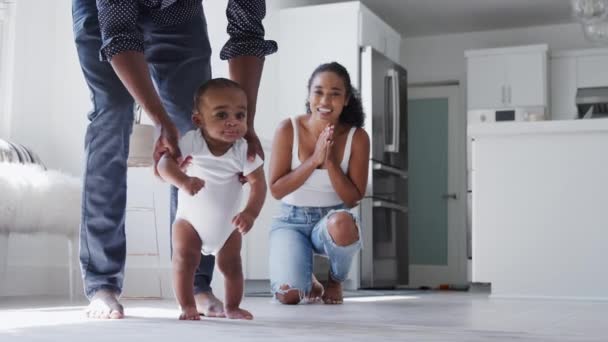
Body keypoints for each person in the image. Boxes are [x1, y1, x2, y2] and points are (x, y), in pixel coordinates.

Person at [72, 0, 277, 319]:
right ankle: (103, 284)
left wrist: (244, 124)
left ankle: (197, 285)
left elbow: (247, 31)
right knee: (112, 114)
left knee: (194, 121)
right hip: (106, 14)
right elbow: (120, 34)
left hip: (179, 12)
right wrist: (158, 120)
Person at [157, 78, 266, 320]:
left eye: (240, 115)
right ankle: (187, 306)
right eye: (221, 115)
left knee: (232, 267)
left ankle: (232, 306)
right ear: (199, 120)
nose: (233, 122)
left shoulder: (242, 150)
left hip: (227, 227)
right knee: (184, 259)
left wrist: (250, 212)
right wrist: (183, 182)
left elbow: (259, 184)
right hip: (189, 221)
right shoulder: (192, 141)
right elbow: (164, 165)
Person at [268, 62, 370, 305]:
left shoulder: (357, 137)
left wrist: (331, 162)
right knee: (289, 295)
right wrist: (314, 160)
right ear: (309, 94)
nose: (325, 100)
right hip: (290, 222)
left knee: (343, 221)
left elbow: (353, 197)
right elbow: (276, 189)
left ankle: (335, 280)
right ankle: (309, 280)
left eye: (335, 94)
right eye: (319, 91)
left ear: (346, 100)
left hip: (331, 219)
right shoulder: (288, 128)